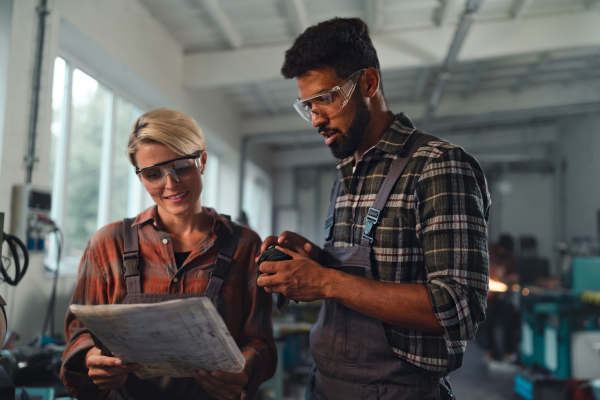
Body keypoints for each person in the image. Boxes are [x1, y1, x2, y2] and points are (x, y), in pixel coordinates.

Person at [256, 18, 491, 400]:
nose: (316, 119)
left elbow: (459, 307)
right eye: (307, 106)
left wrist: (325, 281)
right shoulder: (347, 169)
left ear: (368, 83)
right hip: (324, 385)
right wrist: (314, 261)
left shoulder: (438, 166)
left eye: (326, 98)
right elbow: (364, 278)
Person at [60, 108, 276, 400]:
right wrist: (91, 359)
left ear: (202, 161)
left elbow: (258, 339)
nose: (171, 184)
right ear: (140, 177)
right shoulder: (108, 244)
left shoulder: (245, 245)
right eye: (153, 174)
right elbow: (79, 330)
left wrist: (245, 371)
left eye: (182, 166)